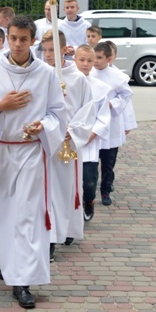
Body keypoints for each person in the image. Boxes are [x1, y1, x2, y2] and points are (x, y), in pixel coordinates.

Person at [0, 15, 66, 309]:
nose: (18, 44)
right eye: (13, 38)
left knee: (27, 216)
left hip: (31, 152)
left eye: (24, 39)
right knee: (4, 213)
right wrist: (0, 106)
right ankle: (10, 263)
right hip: (0, 151)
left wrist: (43, 126)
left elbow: (58, 113)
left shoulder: (46, 74)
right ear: (6, 38)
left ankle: (22, 281)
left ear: (33, 40)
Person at [40, 30, 95, 261]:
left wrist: (71, 131)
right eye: (45, 50)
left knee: (65, 189)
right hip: (44, 141)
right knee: (46, 191)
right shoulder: (40, 74)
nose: (49, 55)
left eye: (53, 50)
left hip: (67, 141)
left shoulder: (78, 78)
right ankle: (50, 237)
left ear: (65, 50)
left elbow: (87, 110)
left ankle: (66, 230)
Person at [89, 42, 133, 211]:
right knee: (92, 161)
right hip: (93, 125)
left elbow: (126, 94)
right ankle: (90, 192)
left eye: (99, 58)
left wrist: (111, 104)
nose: (96, 61)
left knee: (108, 163)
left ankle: (106, 190)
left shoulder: (117, 77)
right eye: (95, 57)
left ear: (109, 59)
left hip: (111, 124)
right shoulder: (88, 73)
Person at [74, 45, 111, 223]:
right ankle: (73, 213)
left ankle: (88, 201)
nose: (85, 64)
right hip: (69, 141)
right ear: (74, 60)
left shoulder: (101, 88)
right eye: (81, 60)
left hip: (89, 142)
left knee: (88, 181)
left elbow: (104, 117)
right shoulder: (65, 83)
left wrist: (91, 135)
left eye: (90, 60)